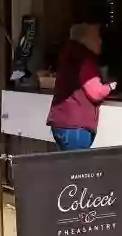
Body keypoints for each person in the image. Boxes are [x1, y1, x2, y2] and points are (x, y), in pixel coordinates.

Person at [46, 22, 116, 151]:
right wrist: (110, 86)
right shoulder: (85, 60)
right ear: (86, 41)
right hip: (76, 128)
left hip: (60, 123)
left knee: (69, 166)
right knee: (78, 168)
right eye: (96, 37)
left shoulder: (68, 57)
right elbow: (95, 93)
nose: (100, 41)